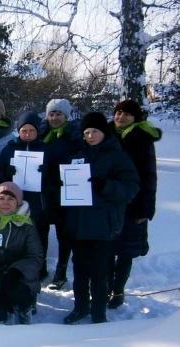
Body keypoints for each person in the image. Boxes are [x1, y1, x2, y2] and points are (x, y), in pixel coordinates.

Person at [62, 112, 140, 325]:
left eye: (95, 131)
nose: (90, 136)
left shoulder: (117, 156)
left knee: (99, 272)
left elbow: (131, 187)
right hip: (78, 223)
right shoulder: (76, 154)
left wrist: (106, 186)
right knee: (79, 270)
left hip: (103, 224)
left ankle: (98, 313)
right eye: (86, 132)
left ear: (104, 132)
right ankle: (80, 307)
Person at [107, 100, 161, 309]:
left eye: (127, 114)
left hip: (133, 203)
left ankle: (119, 290)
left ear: (135, 118)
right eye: (118, 113)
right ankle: (108, 287)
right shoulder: (107, 135)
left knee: (126, 250)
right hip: (110, 202)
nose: (121, 117)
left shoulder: (142, 140)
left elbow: (150, 177)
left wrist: (146, 207)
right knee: (109, 248)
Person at [0, 111, 54, 280]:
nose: (27, 134)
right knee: (15, 236)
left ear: (37, 131)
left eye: (31, 130)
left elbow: (57, 181)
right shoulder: (9, 150)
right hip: (14, 204)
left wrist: (48, 173)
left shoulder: (46, 149)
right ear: (19, 131)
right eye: (24, 130)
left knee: (39, 236)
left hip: (38, 204)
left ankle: (40, 268)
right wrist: (7, 173)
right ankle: (15, 269)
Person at [0, 182, 43, 325]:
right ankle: (4, 303)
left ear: (18, 202)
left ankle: (25, 306)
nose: (5, 203)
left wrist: (17, 270)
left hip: (19, 277)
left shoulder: (27, 224)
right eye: (2, 198)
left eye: (11, 199)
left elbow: (35, 257)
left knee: (19, 292)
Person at [38, 99, 82, 290]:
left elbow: (80, 160)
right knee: (41, 232)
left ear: (67, 116)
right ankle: (41, 268)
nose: (55, 118)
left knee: (64, 234)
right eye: (51, 114)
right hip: (43, 191)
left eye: (59, 114)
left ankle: (61, 270)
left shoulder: (75, 135)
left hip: (66, 191)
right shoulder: (41, 134)